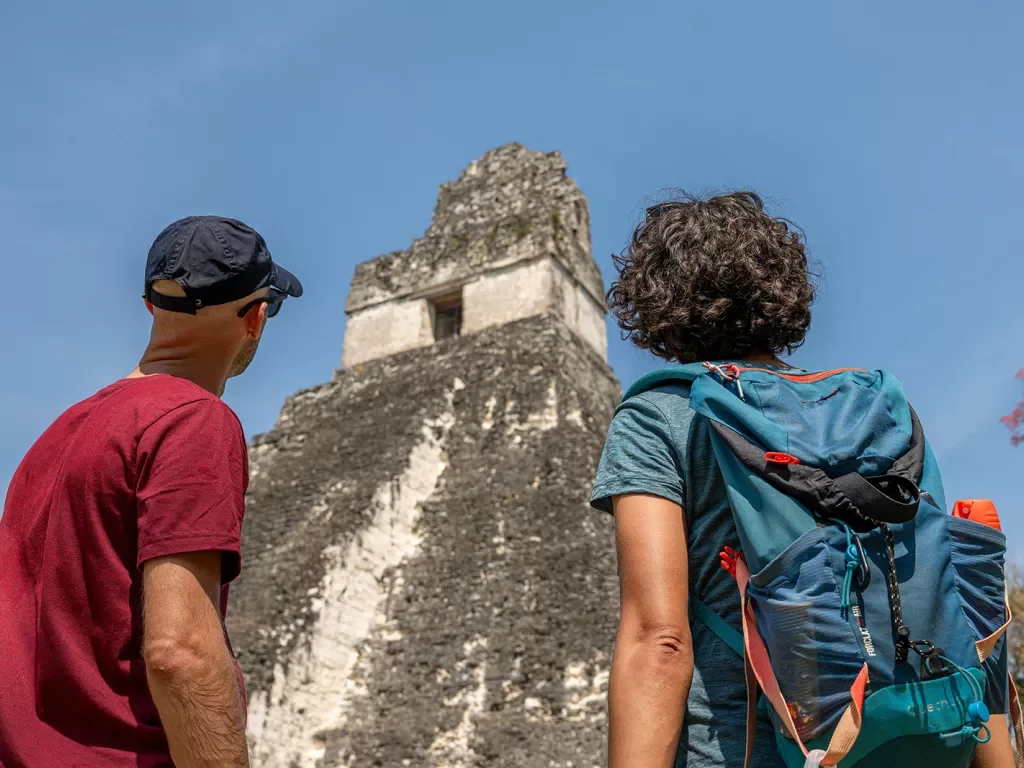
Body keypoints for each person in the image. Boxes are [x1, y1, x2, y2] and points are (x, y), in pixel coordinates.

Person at [590, 192, 1015, 768]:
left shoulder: (660, 416)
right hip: (914, 735)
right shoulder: (876, 411)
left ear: (657, 305)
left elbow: (658, 640)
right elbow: (954, 595)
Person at [0, 216, 302, 768]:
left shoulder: (60, 434)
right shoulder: (193, 421)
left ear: (150, 307)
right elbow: (179, 650)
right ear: (256, 318)